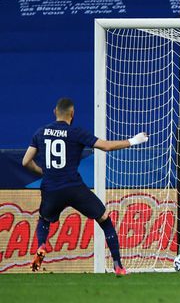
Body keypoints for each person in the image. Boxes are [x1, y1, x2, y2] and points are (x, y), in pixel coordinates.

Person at [22, 97, 148, 276]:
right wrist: (133, 141)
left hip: (51, 188)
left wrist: (43, 171)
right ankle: (118, 265)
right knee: (104, 219)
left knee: (44, 219)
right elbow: (106, 146)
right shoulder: (76, 132)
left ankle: (42, 244)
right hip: (74, 188)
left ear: (54, 112)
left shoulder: (40, 132)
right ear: (72, 114)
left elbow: (26, 161)